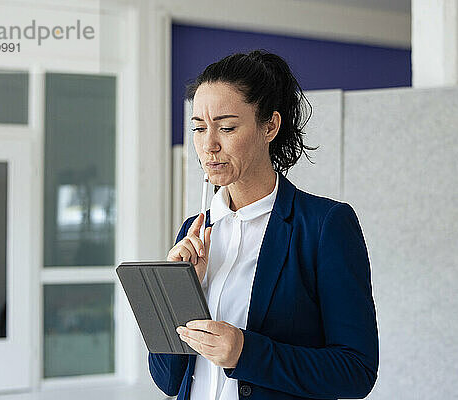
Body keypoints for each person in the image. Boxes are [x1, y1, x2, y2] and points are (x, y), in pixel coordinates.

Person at [148, 50, 378, 400]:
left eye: (226, 127)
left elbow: (356, 372)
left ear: (269, 126)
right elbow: (166, 380)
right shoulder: (191, 233)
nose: (208, 145)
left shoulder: (324, 226)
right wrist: (177, 295)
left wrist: (245, 352)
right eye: (198, 128)